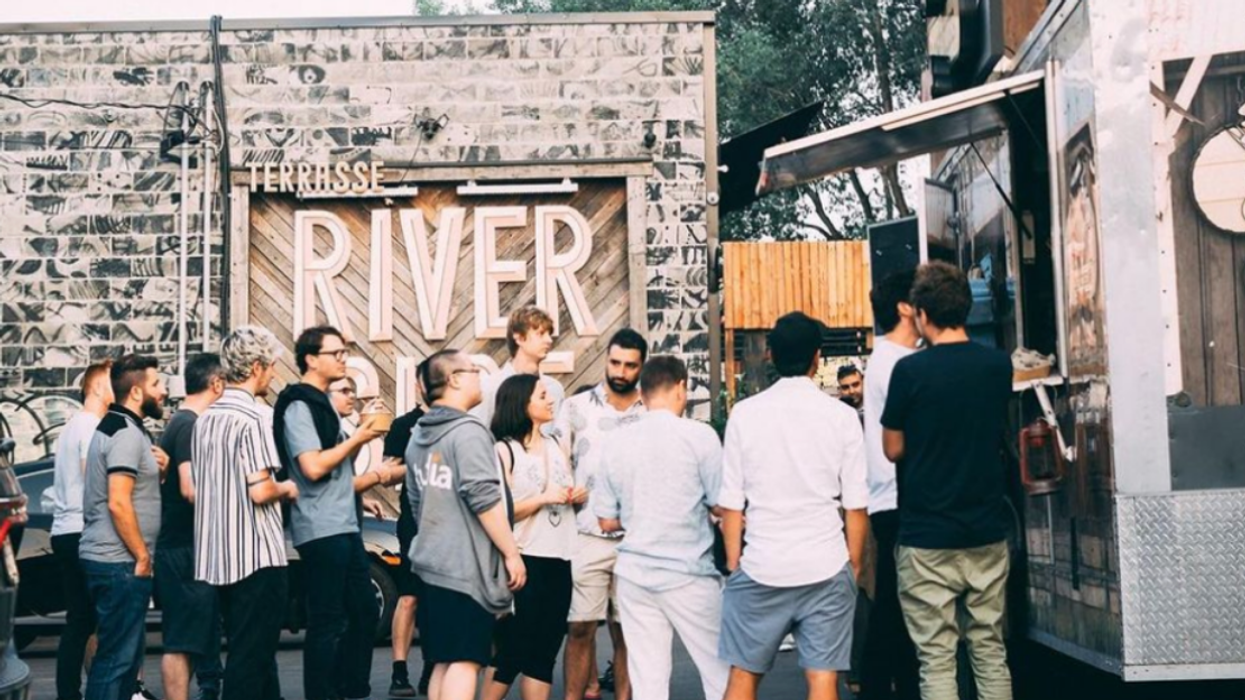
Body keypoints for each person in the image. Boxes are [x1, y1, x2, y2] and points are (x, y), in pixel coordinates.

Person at [719, 312, 869, 700]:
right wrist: (852, 565)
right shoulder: (842, 417)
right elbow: (855, 504)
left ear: (770, 354)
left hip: (762, 564)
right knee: (822, 680)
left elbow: (731, 504)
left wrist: (734, 564)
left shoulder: (744, 415)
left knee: (743, 676)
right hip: (825, 562)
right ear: (817, 358)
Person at [881, 262, 1013, 700]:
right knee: (989, 650)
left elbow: (892, 449)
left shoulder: (909, 372)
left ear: (920, 313)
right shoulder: (997, 366)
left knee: (936, 659)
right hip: (986, 530)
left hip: (926, 537)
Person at [594, 356, 730, 700]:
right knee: (720, 673)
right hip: (690, 574)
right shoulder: (700, 436)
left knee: (649, 683)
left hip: (635, 575)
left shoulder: (615, 443)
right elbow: (720, 503)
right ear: (682, 386)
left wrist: (643, 513)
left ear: (641, 393)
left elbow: (606, 520)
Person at [272, 326, 391, 700]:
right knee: (328, 619)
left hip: (343, 523)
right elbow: (312, 467)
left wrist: (361, 435)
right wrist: (358, 438)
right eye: (335, 352)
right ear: (311, 358)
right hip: (320, 526)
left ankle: (349, 688)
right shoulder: (299, 405)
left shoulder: (325, 406)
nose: (343, 358)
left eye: (344, 352)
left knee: (363, 611)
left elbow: (338, 465)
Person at [405, 349, 527, 700]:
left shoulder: (420, 433)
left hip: (430, 563)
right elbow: (483, 498)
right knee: (467, 660)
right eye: (475, 370)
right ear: (455, 379)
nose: (480, 377)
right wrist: (511, 552)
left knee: (444, 660)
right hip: (464, 568)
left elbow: (415, 500)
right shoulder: (469, 432)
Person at [193, 326, 299, 700]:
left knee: (250, 652)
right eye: (270, 366)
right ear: (255, 367)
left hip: (218, 556)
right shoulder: (254, 417)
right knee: (250, 658)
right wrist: (287, 487)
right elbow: (261, 490)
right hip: (257, 556)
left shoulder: (205, 419)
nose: (272, 374)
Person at [553, 328, 647, 700]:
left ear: (641, 366)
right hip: (586, 533)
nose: (620, 371)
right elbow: (558, 458)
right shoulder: (576, 407)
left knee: (628, 632)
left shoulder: (652, 410)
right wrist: (565, 488)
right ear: (606, 359)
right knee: (579, 628)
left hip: (637, 540)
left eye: (629, 365)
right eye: (615, 362)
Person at [79, 354, 169, 700]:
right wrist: (142, 556)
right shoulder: (125, 433)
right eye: (156, 384)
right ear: (135, 392)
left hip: (115, 561)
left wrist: (159, 470)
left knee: (124, 661)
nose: (162, 392)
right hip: (119, 563)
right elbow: (118, 501)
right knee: (116, 661)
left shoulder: (121, 427)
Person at [484, 375, 578, 700]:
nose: (550, 400)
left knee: (544, 653)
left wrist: (574, 496)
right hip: (524, 558)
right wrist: (543, 498)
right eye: (542, 395)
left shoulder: (555, 445)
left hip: (561, 556)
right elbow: (497, 511)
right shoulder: (504, 450)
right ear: (523, 404)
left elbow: (563, 490)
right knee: (513, 650)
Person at [860, 271, 921, 700]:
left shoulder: (887, 358)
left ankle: (881, 684)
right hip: (898, 495)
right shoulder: (897, 362)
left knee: (896, 603)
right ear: (904, 307)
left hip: (889, 496)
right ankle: (883, 685)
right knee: (898, 606)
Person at [156, 354, 225, 700]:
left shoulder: (181, 422)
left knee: (200, 633)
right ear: (216, 384)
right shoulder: (190, 425)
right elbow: (189, 487)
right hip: (183, 549)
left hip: (186, 548)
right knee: (181, 640)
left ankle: (209, 689)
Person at [51, 359, 113, 700]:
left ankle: (73, 693)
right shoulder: (90, 426)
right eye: (112, 383)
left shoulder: (72, 426)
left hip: (66, 530)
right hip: (83, 531)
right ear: (99, 387)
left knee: (81, 621)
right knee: (90, 622)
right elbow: (96, 480)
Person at [382, 395, 432, 698]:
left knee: (438, 598)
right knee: (409, 595)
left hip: (447, 522)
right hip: (413, 520)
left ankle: (431, 666)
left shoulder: (456, 422)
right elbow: (387, 474)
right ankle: (399, 672)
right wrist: (420, 461)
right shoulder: (404, 425)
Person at [472, 305, 566, 433]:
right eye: (541, 333)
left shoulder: (554, 389)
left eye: (549, 334)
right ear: (519, 338)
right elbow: (478, 436)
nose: (549, 340)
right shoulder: (490, 387)